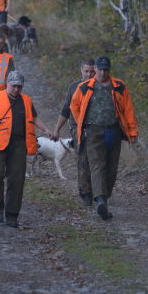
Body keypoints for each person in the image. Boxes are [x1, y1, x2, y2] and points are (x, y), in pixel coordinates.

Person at [70, 56, 138, 220]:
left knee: (111, 168)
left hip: (113, 130)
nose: (103, 72)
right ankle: (101, 201)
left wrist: (132, 131)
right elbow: (74, 105)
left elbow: (128, 109)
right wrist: (82, 123)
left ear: (109, 70)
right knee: (97, 166)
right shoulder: (85, 87)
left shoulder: (119, 86)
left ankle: (104, 196)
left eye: (105, 69)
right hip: (93, 130)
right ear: (96, 70)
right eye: (100, 69)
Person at [0, 70, 52, 228]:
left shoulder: (27, 100)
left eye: (19, 87)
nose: (16, 89)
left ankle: (12, 214)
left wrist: (46, 130)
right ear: (7, 84)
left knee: (17, 179)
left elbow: (34, 118)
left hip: (19, 144)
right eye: (14, 86)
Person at [52, 59, 95, 204]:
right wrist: (56, 129)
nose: (89, 74)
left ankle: (100, 192)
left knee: (98, 160)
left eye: (92, 71)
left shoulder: (100, 86)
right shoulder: (74, 87)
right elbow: (66, 109)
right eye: (86, 71)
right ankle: (85, 192)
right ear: (81, 70)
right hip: (77, 128)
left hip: (97, 128)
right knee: (82, 159)